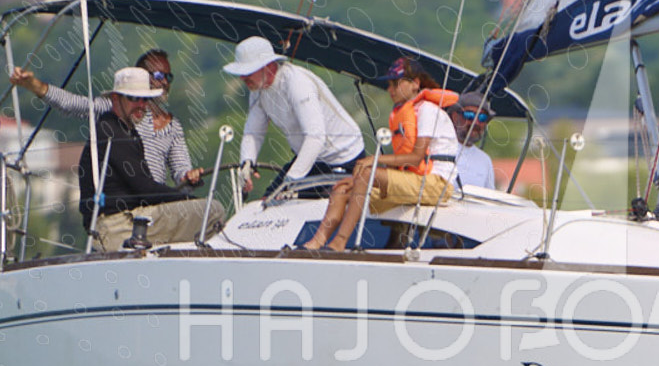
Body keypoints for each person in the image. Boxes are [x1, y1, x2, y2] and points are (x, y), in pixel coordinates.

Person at [302, 57, 460, 251]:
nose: (390, 89)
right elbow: (401, 164)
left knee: (367, 173)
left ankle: (339, 243)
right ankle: (314, 244)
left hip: (437, 184)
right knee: (342, 190)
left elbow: (416, 158)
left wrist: (373, 160)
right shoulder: (405, 113)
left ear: (415, 83)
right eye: (389, 85)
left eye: (396, 83)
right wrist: (356, 181)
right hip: (415, 181)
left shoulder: (427, 110)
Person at [77, 67, 225, 251]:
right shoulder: (112, 131)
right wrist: (187, 199)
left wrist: (183, 197)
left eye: (145, 99)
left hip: (120, 223)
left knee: (203, 210)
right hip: (118, 226)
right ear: (115, 98)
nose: (141, 105)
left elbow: (145, 189)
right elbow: (146, 189)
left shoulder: (124, 131)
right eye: (133, 98)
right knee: (213, 210)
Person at [11, 49, 205, 188]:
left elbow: (181, 169)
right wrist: (35, 85)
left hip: (156, 201)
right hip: (127, 201)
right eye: (158, 75)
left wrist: (189, 176)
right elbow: (73, 104)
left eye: (168, 77)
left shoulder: (173, 126)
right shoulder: (117, 109)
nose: (164, 82)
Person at [221, 36, 366, 196]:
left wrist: (292, 180)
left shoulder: (297, 83)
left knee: (303, 203)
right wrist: (247, 162)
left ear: (268, 66)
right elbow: (253, 132)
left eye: (248, 71)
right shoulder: (257, 90)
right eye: (241, 73)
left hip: (343, 158)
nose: (243, 78)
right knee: (267, 201)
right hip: (312, 160)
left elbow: (315, 137)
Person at [448, 91, 496, 191]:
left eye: (482, 117)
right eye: (469, 115)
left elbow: (489, 197)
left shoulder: (485, 160)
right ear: (455, 117)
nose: (476, 122)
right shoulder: (438, 148)